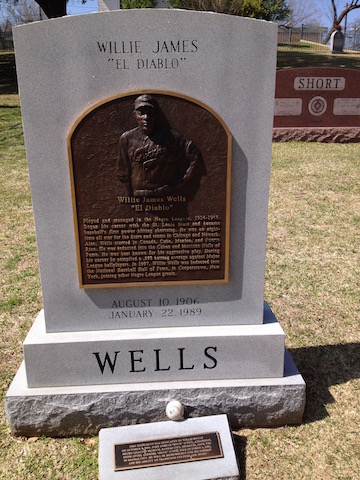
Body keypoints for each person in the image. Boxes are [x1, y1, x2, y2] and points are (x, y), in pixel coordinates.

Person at [118, 94, 203, 197]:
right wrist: (129, 197)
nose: (146, 117)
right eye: (141, 113)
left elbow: (195, 157)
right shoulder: (126, 138)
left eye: (150, 113)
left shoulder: (170, 137)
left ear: (156, 115)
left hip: (166, 196)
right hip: (138, 196)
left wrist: (179, 183)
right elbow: (123, 173)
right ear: (135, 114)